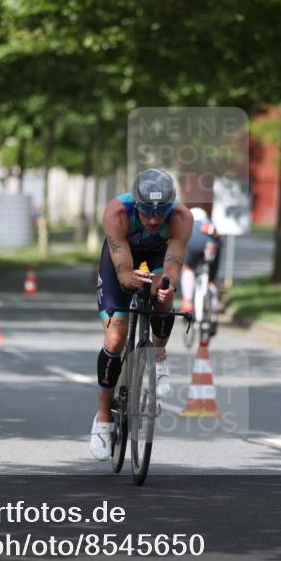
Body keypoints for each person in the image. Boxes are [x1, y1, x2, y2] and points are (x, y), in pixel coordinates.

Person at [90, 168, 193, 460]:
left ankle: (158, 358)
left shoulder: (182, 218)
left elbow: (171, 268)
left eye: (160, 214)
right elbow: (123, 275)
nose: (151, 220)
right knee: (115, 338)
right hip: (121, 262)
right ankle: (103, 420)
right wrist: (131, 277)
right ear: (136, 204)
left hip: (158, 258)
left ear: (171, 208)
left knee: (165, 294)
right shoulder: (117, 212)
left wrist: (163, 286)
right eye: (146, 211)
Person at [179, 207, 222, 328]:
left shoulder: (188, 223)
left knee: (188, 269)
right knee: (211, 282)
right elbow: (219, 238)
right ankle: (214, 314)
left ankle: (187, 301)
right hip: (211, 245)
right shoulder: (210, 222)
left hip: (193, 244)